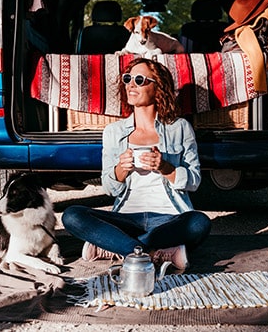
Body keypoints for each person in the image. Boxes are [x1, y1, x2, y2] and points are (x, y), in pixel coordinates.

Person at [62, 57, 211, 270]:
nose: (131, 84)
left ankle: (117, 247)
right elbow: (110, 188)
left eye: (140, 80)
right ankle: (152, 253)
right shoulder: (113, 132)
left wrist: (165, 168)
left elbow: (194, 181)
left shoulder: (179, 128)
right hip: (126, 219)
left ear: (158, 87)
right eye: (128, 78)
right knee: (73, 216)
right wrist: (121, 169)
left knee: (199, 223)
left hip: (169, 219)